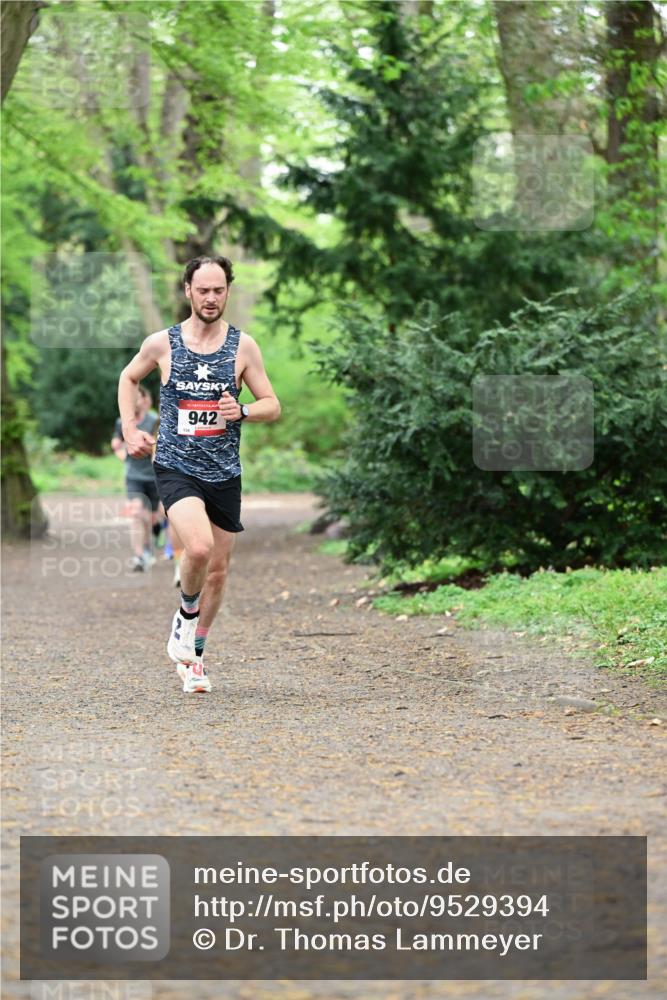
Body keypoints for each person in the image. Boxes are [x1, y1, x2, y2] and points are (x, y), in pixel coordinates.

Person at [117, 255, 281, 693]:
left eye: (219, 290)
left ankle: (194, 657)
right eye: (203, 290)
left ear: (228, 291)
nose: (211, 298)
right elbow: (128, 378)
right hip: (176, 466)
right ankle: (184, 620)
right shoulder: (163, 343)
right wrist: (131, 428)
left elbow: (272, 404)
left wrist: (242, 410)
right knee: (199, 548)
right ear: (187, 291)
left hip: (224, 472)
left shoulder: (243, 346)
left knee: (218, 572)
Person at [111, 385, 161, 571]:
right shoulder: (122, 422)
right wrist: (120, 452)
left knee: (152, 517)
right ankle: (139, 555)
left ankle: (150, 544)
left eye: (137, 398)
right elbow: (117, 442)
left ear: (144, 400)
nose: (134, 401)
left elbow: (161, 446)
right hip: (134, 476)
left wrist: (147, 449)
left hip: (154, 475)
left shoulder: (154, 420)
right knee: (136, 513)